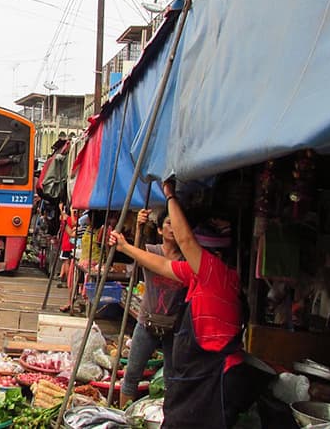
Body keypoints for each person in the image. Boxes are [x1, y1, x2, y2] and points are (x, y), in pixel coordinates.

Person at [108, 181, 255, 428]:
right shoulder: (199, 273)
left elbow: (186, 242)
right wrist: (126, 247)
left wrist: (170, 195)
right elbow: (162, 265)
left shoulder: (215, 272)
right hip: (199, 373)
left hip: (214, 375)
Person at [120, 208, 186, 408]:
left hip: (174, 327)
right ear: (159, 230)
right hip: (147, 321)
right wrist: (139, 226)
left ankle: (166, 417)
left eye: (177, 224)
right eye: (168, 224)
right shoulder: (152, 251)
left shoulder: (186, 259)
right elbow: (136, 251)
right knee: (132, 375)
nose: (173, 228)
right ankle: (122, 415)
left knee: (171, 379)